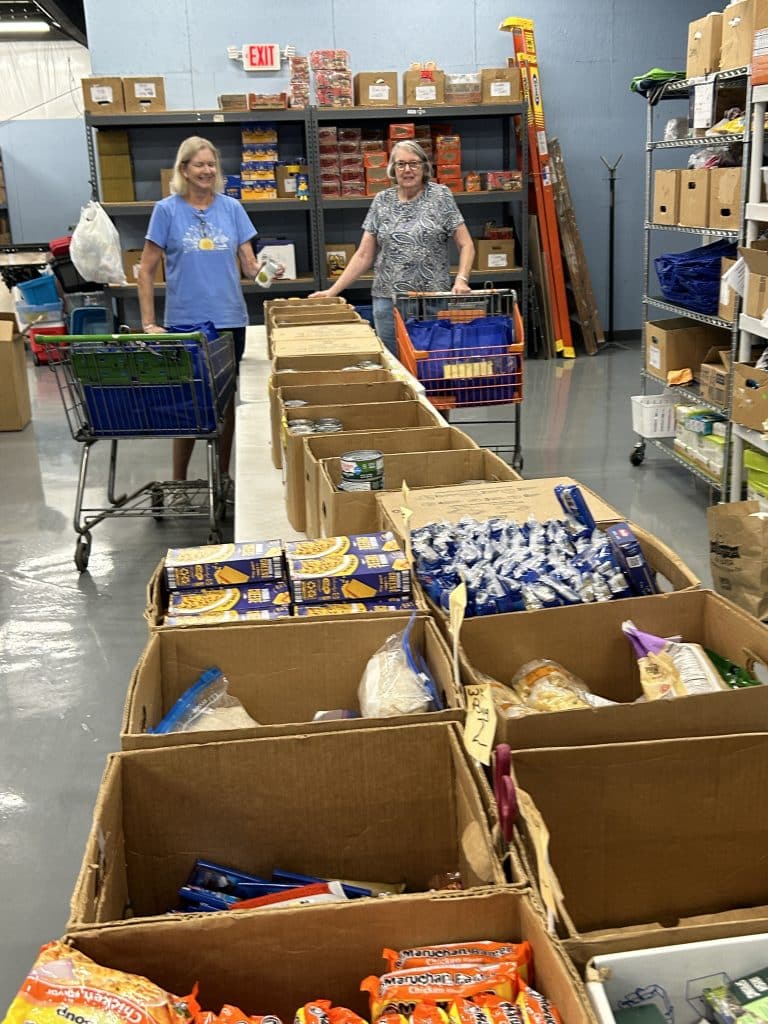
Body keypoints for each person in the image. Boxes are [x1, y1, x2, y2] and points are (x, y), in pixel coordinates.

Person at [137, 135, 264, 494]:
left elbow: (250, 266)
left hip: (229, 321)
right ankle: (179, 481)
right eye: (200, 164)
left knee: (225, 405)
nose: (207, 171)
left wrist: (265, 271)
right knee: (187, 405)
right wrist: (149, 323)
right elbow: (145, 271)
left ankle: (222, 477)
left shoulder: (233, 209)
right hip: (184, 323)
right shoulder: (166, 210)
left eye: (211, 164)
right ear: (184, 169)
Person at [309, 139, 475, 356]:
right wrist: (333, 291)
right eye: (401, 164)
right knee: (394, 362)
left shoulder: (440, 196)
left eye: (414, 164)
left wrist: (462, 279)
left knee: (431, 363)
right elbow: (363, 255)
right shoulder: (381, 201)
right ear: (392, 169)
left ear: (424, 167)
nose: (407, 170)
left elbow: (466, 244)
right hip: (388, 301)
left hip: (431, 298)